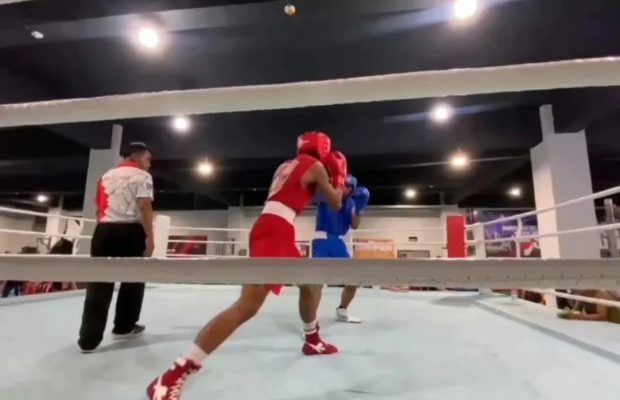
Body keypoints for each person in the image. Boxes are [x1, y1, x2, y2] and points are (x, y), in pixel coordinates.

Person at [147, 131, 348, 400]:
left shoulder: (287, 165)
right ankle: (171, 376)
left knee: (311, 283)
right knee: (247, 306)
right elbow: (336, 202)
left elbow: (298, 193)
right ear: (323, 148)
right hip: (276, 230)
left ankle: (312, 340)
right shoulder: (315, 166)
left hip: (273, 226)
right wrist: (339, 176)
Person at [77, 142, 155, 353]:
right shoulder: (142, 176)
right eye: (148, 159)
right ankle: (124, 327)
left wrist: (104, 230)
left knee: (98, 284)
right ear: (136, 156)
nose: (149, 164)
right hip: (130, 231)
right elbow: (144, 206)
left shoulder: (105, 176)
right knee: (133, 281)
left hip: (103, 231)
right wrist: (150, 237)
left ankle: (88, 340)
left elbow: (98, 209)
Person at [312, 174, 370, 323]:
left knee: (354, 279)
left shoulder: (352, 202)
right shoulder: (327, 194)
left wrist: (359, 209)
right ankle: (310, 322)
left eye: (349, 187)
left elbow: (354, 225)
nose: (346, 189)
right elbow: (316, 195)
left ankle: (342, 311)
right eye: (344, 185)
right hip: (323, 240)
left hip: (339, 242)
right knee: (317, 282)